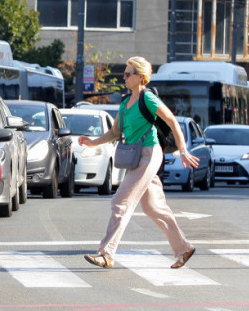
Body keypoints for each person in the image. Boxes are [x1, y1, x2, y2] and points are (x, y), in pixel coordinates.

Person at [80, 56, 199, 269]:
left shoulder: (148, 99)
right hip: (136, 157)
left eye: (128, 74)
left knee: (120, 202)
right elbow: (116, 132)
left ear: (141, 77)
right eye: (124, 73)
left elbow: (172, 120)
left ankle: (107, 253)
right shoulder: (126, 102)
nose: (124, 77)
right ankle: (183, 248)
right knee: (153, 208)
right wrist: (92, 142)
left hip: (149, 153)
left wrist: (183, 151)